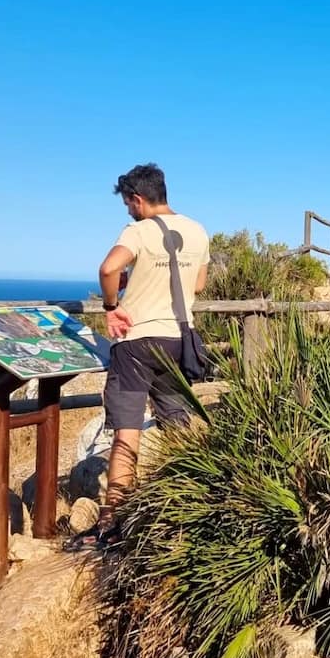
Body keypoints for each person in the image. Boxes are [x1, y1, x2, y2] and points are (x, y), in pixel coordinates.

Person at [69, 163, 209, 549]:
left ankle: (112, 519)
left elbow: (109, 267)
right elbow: (197, 282)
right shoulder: (197, 230)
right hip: (180, 340)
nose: (128, 211)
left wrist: (112, 306)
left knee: (126, 432)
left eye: (129, 204)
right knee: (177, 425)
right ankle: (191, 504)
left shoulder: (138, 230)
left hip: (137, 343)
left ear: (138, 198)